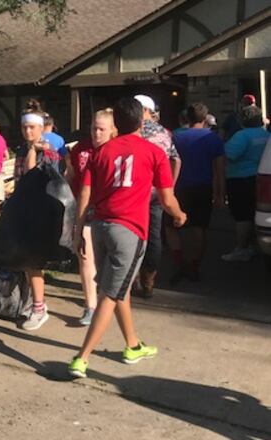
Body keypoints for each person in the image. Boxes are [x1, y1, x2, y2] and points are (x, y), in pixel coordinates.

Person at [68, 98, 187, 379]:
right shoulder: (154, 152)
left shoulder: (100, 153)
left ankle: (132, 345)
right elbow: (167, 199)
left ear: (116, 124)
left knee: (117, 287)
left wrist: (78, 229)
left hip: (100, 226)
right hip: (130, 229)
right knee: (110, 294)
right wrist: (180, 215)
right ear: (142, 122)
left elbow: (85, 193)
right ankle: (81, 357)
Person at [65, 108, 118, 326]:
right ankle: (90, 306)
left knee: (109, 259)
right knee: (85, 256)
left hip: (112, 210)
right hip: (85, 208)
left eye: (101, 129)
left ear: (113, 130)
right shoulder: (80, 148)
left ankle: (112, 300)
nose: (96, 133)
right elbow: (72, 176)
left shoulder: (118, 149)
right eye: (93, 128)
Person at [13, 100, 62, 331]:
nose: (28, 131)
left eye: (32, 127)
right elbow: (19, 179)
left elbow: (32, 175)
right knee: (26, 262)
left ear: (42, 128)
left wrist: (34, 149)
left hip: (40, 212)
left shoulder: (48, 152)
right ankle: (32, 301)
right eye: (25, 127)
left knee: (33, 262)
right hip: (23, 209)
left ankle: (39, 308)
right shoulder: (22, 149)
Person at [166, 103, 225, 284]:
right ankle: (193, 265)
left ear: (187, 118)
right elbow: (219, 170)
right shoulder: (213, 138)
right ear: (205, 118)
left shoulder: (174, 136)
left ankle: (179, 261)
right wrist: (220, 195)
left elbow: (168, 164)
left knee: (171, 227)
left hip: (178, 188)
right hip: (203, 187)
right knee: (198, 228)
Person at [133, 94, 181, 299]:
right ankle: (149, 281)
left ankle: (132, 278)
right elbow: (176, 160)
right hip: (157, 191)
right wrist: (169, 186)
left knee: (133, 233)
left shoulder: (132, 131)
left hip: (135, 191)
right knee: (154, 235)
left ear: (145, 111)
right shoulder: (164, 132)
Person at [222, 105, 270, 262]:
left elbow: (229, 154)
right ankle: (252, 246)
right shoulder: (266, 135)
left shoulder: (241, 136)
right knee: (254, 214)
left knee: (242, 217)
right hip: (260, 179)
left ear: (242, 120)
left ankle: (241, 249)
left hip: (240, 179)